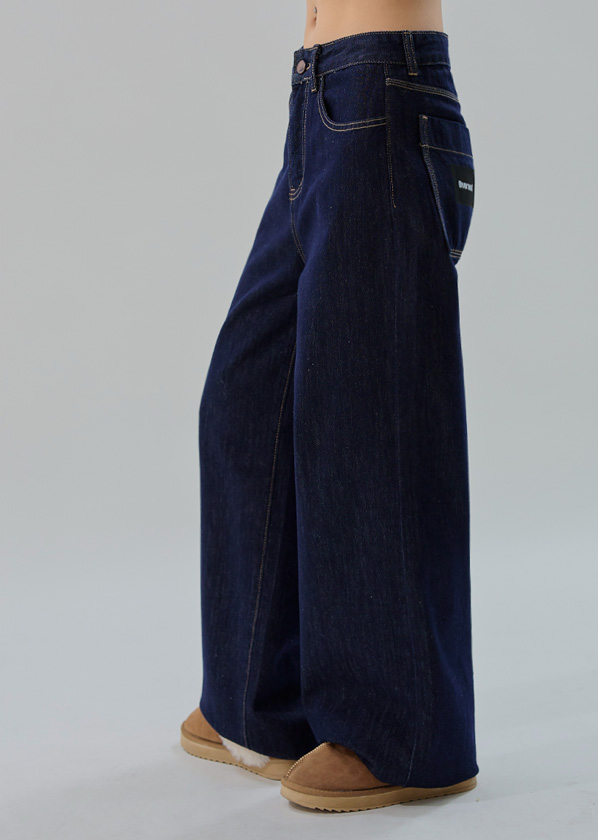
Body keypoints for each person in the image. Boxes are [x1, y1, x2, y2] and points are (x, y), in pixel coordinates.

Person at [180, 0, 478, 812]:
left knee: (364, 421)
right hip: (318, 101)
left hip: (386, 90)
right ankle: (261, 707)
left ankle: (401, 736)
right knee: (245, 402)